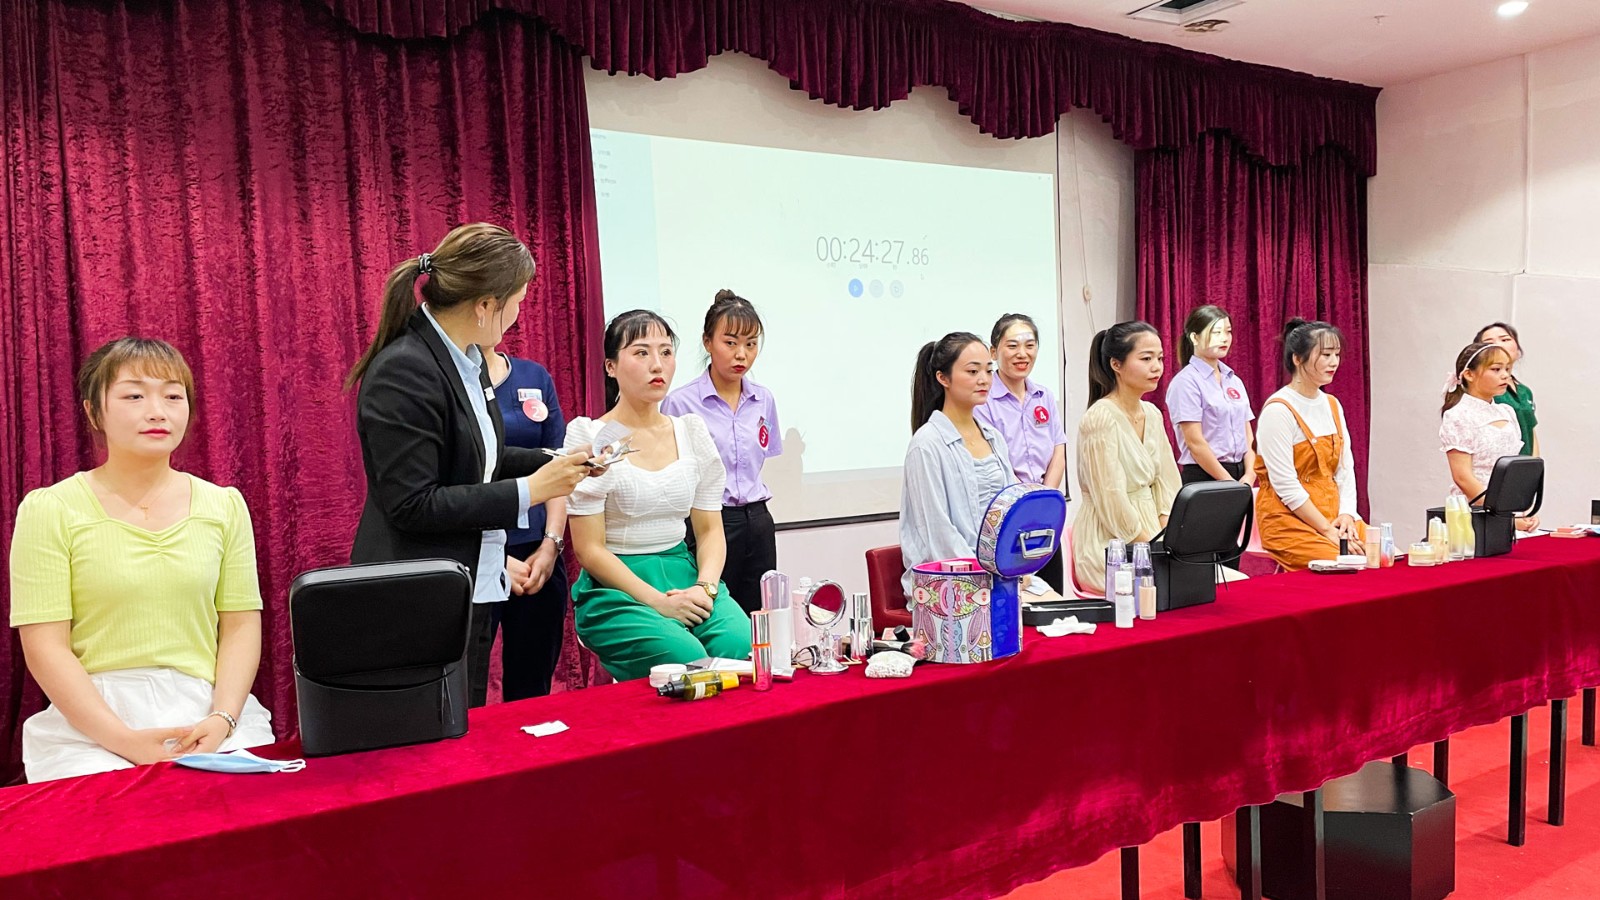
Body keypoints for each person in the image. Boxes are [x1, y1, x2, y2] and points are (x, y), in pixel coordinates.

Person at [347, 223, 592, 708]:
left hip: (471, 582)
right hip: (419, 597)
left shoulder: (468, 362)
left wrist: (558, 461)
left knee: (468, 725)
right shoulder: (405, 369)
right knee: (433, 731)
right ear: (484, 306)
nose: (518, 314)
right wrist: (534, 489)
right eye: (517, 301)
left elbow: (480, 457)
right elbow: (413, 504)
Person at [10, 338, 274, 782]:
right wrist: (124, 740)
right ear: (94, 412)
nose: (157, 412)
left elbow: (241, 625)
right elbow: (45, 646)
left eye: (173, 396)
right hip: (94, 723)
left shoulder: (224, 505)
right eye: (134, 396)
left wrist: (224, 717)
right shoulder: (50, 509)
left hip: (207, 713)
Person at [566, 310, 752, 681]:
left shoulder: (691, 431)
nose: (657, 365)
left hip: (685, 573)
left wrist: (705, 588)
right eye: (641, 352)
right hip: (617, 586)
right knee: (684, 660)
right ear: (611, 366)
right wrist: (657, 602)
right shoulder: (589, 436)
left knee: (739, 644)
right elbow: (589, 550)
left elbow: (710, 531)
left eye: (666, 352)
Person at [661, 290, 782, 614]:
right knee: (711, 614)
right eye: (730, 343)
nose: (741, 354)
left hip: (758, 521)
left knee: (761, 616)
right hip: (709, 522)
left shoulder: (764, 400)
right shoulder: (681, 403)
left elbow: (762, 456)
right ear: (707, 342)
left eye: (751, 344)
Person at [483, 343, 569, 700]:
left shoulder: (534, 377)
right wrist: (492, 561)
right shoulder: (449, 381)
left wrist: (551, 544)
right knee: (464, 689)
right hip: (476, 555)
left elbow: (559, 467)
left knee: (532, 689)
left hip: (538, 556)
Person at [901, 332, 1017, 598]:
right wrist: (986, 578)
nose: (984, 379)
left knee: (1058, 611)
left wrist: (1014, 568)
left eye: (988, 370)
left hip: (1000, 576)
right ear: (943, 378)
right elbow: (938, 533)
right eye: (973, 371)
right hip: (949, 585)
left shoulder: (994, 437)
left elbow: (1010, 510)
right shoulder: (926, 445)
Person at [1073, 322, 1182, 595]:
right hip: (1110, 545)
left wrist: (1168, 539)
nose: (1157, 367)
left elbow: (1168, 484)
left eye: (1160, 358)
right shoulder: (1100, 418)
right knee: (1173, 590)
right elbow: (1111, 499)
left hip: (1152, 536)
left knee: (1225, 583)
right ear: (1116, 364)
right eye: (1146, 359)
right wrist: (1152, 551)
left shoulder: (1152, 413)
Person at [1254, 318, 1364, 570]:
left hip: (1334, 517)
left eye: (1337, 354)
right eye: (1325, 355)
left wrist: (1347, 514)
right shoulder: (1278, 410)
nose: (1334, 362)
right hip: (1289, 521)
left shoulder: (1332, 404)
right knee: (1348, 567)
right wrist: (1326, 530)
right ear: (1297, 358)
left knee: (1387, 556)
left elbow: (1345, 469)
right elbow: (1286, 485)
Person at [975, 313, 1068, 592]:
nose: (1022, 353)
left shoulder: (1044, 396)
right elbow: (996, 462)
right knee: (1017, 598)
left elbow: (1058, 450)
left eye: (1030, 345)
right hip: (1007, 516)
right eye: (1012, 345)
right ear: (994, 352)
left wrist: (1044, 500)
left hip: (1044, 516)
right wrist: (1026, 504)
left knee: (1052, 598)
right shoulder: (984, 400)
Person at [1439, 341, 1539, 532]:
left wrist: (1524, 509)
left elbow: (1515, 468)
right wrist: (1503, 516)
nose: (1505, 375)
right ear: (1469, 374)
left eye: (1507, 369)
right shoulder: (1458, 415)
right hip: (1475, 514)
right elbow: (1463, 477)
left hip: (1511, 509)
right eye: (1496, 369)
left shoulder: (1507, 411)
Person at [1165, 305, 1257, 486]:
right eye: (1216, 332)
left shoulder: (1234, 380)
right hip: (1204, 474)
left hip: (1241, 474)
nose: (1224, 338)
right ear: (1194, 337)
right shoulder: (1186, 381)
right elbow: (1195, 443)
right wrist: (1228, 482)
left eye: (1228, 332)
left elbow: (1247, 435)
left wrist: (1250, 474)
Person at [1473, 322, 1538, 456]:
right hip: (1495, 464)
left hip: (1525, 464)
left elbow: (1531, 431)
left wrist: (1536, 463)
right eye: (1489, 342)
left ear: (1518, 349)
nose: (1498, 345)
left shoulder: (1524, 391)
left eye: (1505, 339)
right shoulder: (1482, 389)